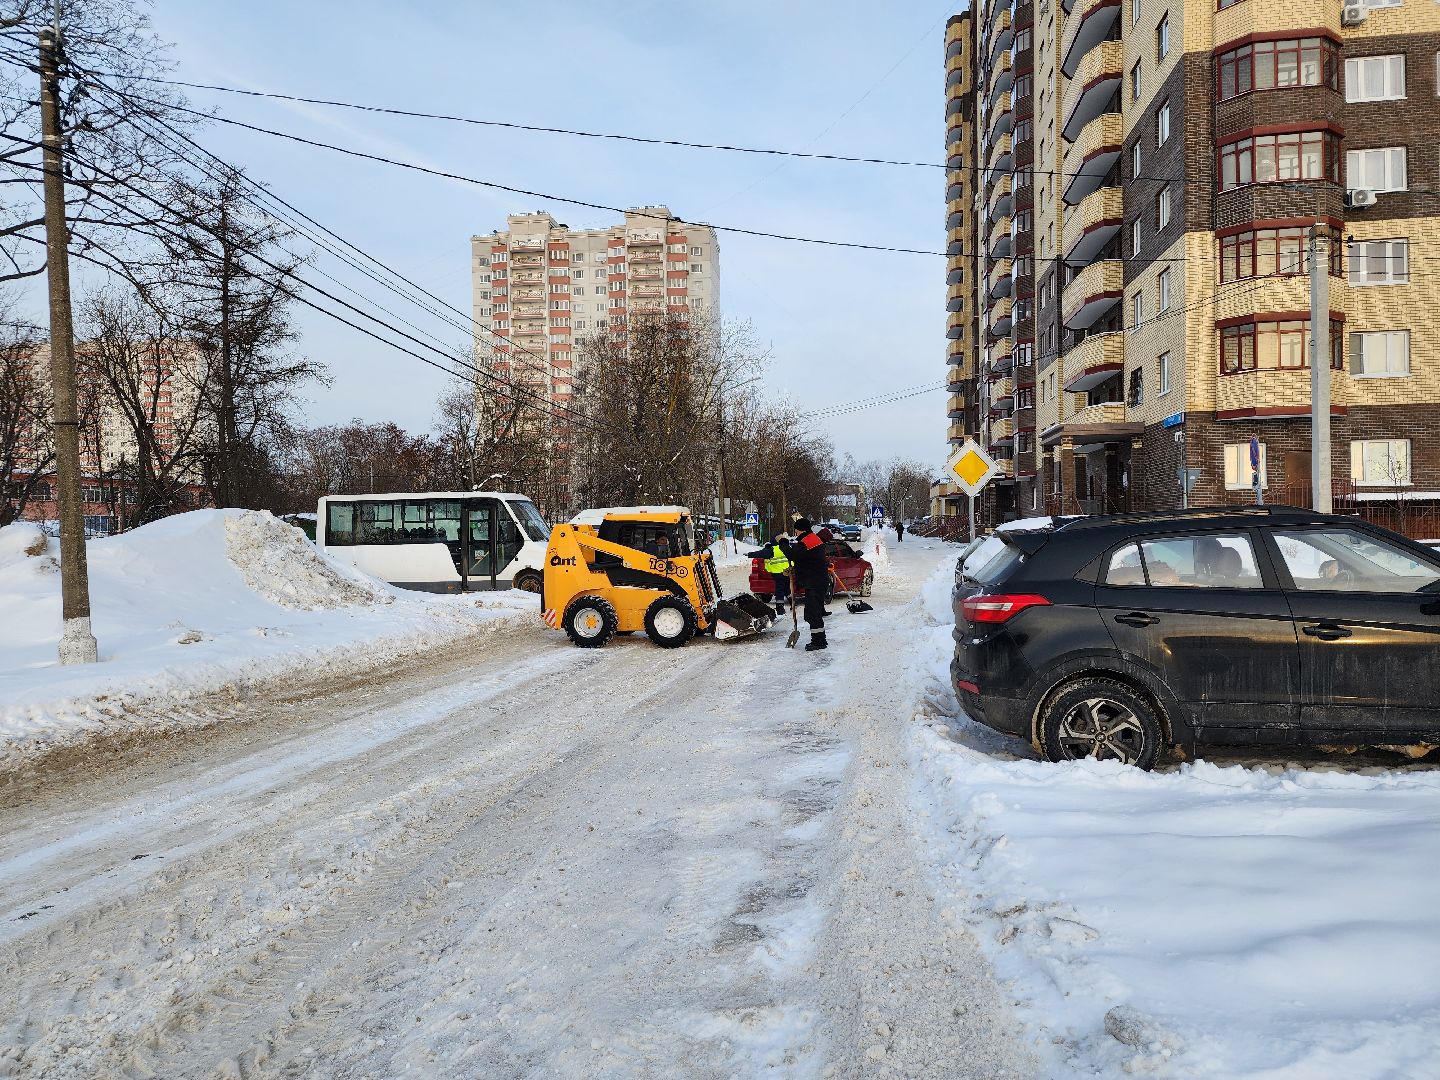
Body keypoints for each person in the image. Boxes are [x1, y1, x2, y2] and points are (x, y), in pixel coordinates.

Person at [788, 517, 831, 651]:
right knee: (812, 613)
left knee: (813, 614)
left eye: (796, 530)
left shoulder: (807, 541)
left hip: (815, 582)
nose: (795, 532)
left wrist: (782, 541)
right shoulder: (812, 538)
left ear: (799, 530)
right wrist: (794, 569)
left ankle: (819, 642)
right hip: (816, 581)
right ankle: (819, 640)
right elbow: (808, 560)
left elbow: (792, 555)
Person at [745, 528, 793, 615]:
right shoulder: (787, 547)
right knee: (786, 588)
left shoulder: (773, 550)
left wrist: (749, 554)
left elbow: (760, 554)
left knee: (779, 589)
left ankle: (780, 608)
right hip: (787, 571)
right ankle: (792, 602)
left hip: (778, 572)